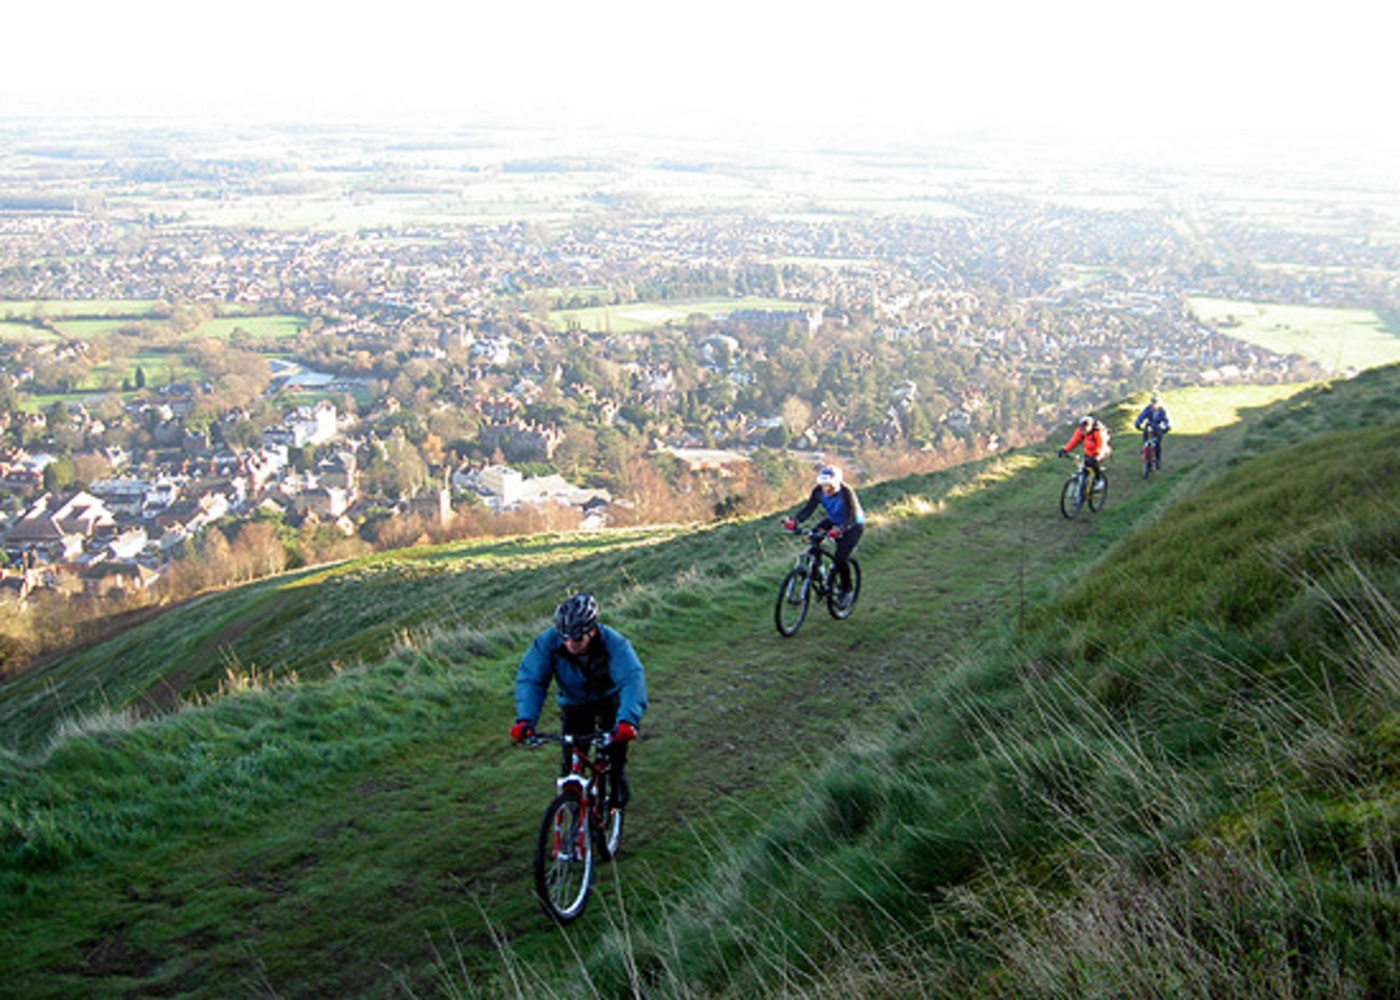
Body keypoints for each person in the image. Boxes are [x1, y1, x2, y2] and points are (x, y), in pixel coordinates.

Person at [510, 593, 647, 807]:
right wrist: (525, 720)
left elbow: (631, 679)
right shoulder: (547, 644)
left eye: (576, 638)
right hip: (574, 703)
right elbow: (531, 680)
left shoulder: (614, 644)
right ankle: (573, 812)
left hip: (608, 697)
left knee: (615, 745)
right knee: (571, 758)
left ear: (591, 631)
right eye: (563, 637)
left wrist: (627, 720)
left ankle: (616, 777)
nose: (569, 644)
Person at [782, 465, 865, 610]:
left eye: (830, 486)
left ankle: (847, 590)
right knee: (813, 539)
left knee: (840, 558)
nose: (826, 489)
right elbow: (808, 509)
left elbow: (852, 515)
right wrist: (795, 521)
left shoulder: (846, 492)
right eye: (823, 486)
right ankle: (817, 573)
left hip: (852, 526)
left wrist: (840, 529)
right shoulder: (818, 492)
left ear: (838, 483)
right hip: (833, 521)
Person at [1058, 415, 1111, 485]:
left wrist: (1097, 455)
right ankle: (1084, 489)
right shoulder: (1079, 431)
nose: (1084, 431)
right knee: (1085, 469)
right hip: (1089, 452)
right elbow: (1073, 441)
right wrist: (1064, 450)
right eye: (1082, 428)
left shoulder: (1098, 432)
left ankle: (1098, 482)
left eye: (1086, 428)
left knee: (1093, 465)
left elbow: (1102, 445)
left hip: (1101, 452)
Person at [1134, 395, 1171, 467]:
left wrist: (1167, 427)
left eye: (1155, 403)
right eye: (1153, 403)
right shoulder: (1148, 409)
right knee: (1145, 439)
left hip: (1158, 427)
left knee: (1157, 444)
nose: (1154, 405)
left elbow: (1166, 419)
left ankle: (1157, 460)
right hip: (1149, 426)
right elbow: (1141, 416)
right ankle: (1145, 451)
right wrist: (1138, 424)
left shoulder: (1162, 410)